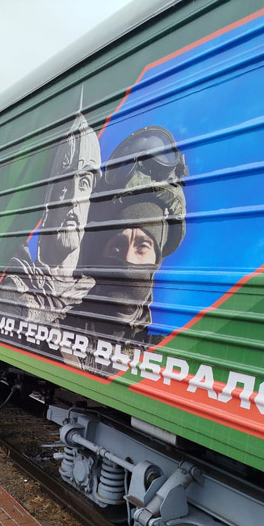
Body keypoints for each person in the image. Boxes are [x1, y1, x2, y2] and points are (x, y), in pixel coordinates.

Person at [61, 125, 188, 373]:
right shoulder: (56, 333)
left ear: (156, 260)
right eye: (117, 246)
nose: (128, 259)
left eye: (143, 246)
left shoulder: (164, 357)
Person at [0, 110, 102, 325]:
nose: (73, 199)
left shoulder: (93, 293)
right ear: (49, 200)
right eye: (64, 184)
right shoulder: (14, 286)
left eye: (84, 184)